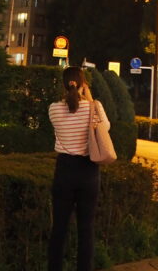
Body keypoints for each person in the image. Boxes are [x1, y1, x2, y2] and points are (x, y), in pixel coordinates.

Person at [48, 66, 110, 271]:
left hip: (64, 170)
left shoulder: (53, 108)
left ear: (64, 85)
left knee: (59, 228)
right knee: (86, 229)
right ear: (83, 84)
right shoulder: (93, 107)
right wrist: (90, 99)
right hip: (88, 172)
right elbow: (105, 128)